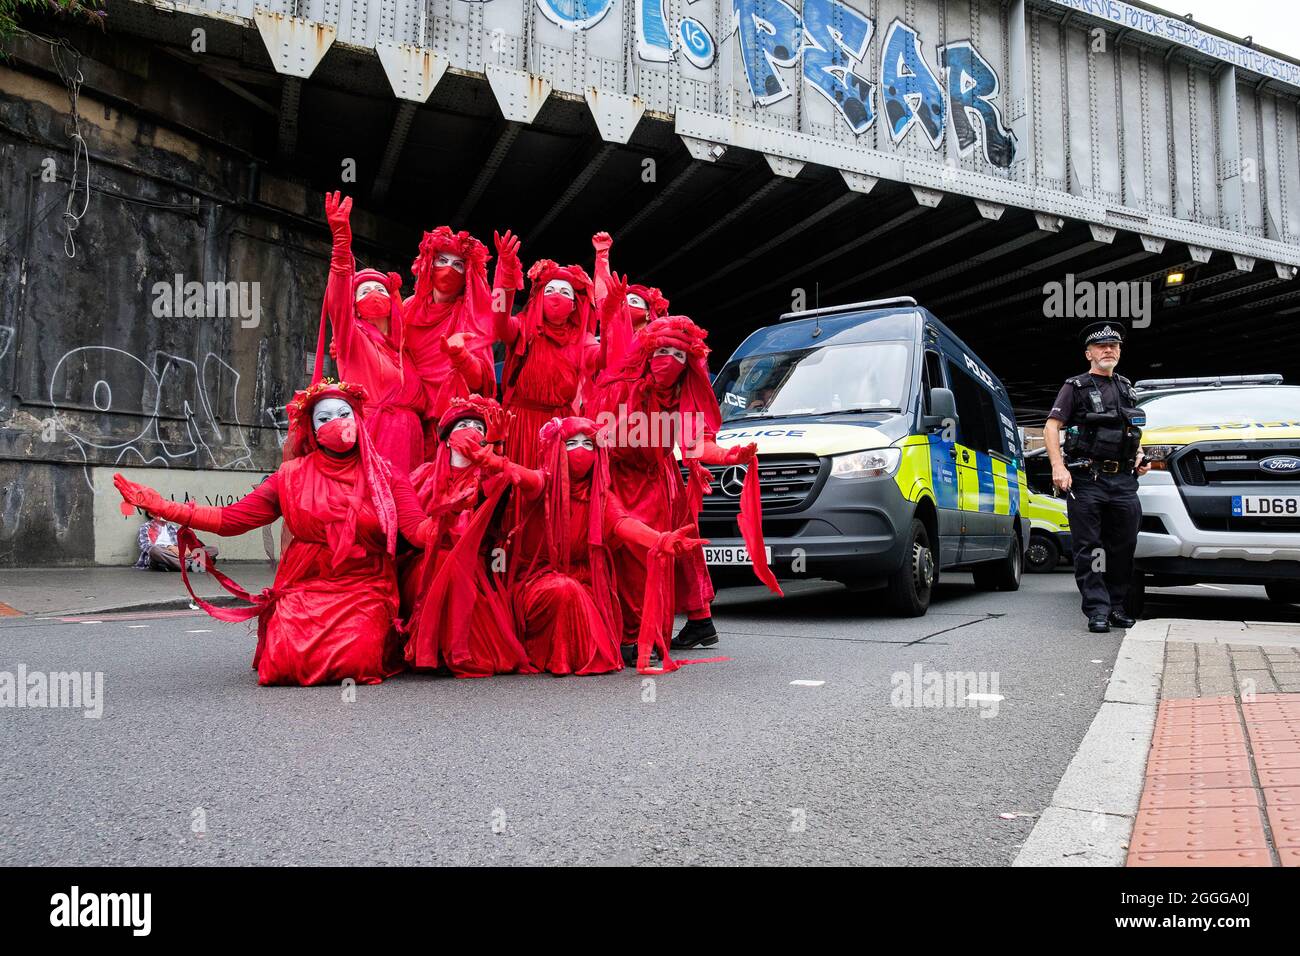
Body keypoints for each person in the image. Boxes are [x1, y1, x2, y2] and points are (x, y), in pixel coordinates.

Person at [113, 380, 439, 685]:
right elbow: (231, 519)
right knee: (284, 661)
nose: (337, 423)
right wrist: (163, 507)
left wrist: (451, 516)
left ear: (358, 419)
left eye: (344, 414)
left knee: (356, 659)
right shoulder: (290, 477)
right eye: (324, 418)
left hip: (364, 587)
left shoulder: (387, 476)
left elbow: (417, 530)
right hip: (306, 585)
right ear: (312, 430)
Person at [590, 315, 781, 663]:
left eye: (679, 356)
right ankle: (627, 636)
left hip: (654, 483)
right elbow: (597, 436)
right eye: (663, 351)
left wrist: (730, 455)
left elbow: (696, 445)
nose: (670, 361)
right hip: (615, 479)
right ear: (648, 353)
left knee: (654, 560)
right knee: (626, 561)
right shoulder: (619, 385)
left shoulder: (684, 394)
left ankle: (645, 637)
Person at [508, 416, 706, 676]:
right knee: (564, 590)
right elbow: (525, 478)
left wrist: (661, 540)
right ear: (557, 448)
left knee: (573, 591)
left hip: (589, 584)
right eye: (572, 443)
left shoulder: (601, 497)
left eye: (588, 444)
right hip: (539, 580)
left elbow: (624, 524)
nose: (581, 451)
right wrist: (493, 456)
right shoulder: (544, 485)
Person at [404, 396, 541, 678]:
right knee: (443, 562)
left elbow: (499, 497)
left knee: (492, 657)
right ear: (447, 437)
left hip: (476, 567)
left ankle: (453, 651)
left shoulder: (488, 476)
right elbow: (411, 531)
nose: (470, 430)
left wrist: (497, 453)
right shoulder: (423, 476)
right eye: (462, 424)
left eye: (477, 426)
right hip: (428, 563)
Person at [1044, 322, 1150, 633]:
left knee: (1123, 546)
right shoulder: (1075, 387)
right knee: (1091, 547)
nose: (1108, 350)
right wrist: (1057, 467)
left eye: (1114, 346)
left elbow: (1133, 431)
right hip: (1087, 479)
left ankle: (1116, 605)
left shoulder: (1127, 387)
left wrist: (1139, 456)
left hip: (1123, 482)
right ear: (1089, 353)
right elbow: (1052, 427)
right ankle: (1097, 609)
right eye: (1102, 346)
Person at [319, 191, 425, 475]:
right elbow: (337, 299)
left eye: (381, 289)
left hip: (412, 443)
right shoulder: (351, 337)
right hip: (377, 439)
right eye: (365, 291)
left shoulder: (403, 345)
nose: (375, 294)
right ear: (354, 305)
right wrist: (341, 244)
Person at [404, 225, 521, 453]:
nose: (449, 269)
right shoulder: (408, 309)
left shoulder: (471, 316)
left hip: (453, 424)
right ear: (429, 264)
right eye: (442, 260)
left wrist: (461, 357)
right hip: (411, 417)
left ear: (467, 274)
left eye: (458, 264)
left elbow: (481, 382)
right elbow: (387, 349)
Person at [494, 259, 599, 469]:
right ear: (539, 296)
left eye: (565, 292)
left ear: (574, 305)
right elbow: (499, 323)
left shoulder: (581, 339)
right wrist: (505, 278)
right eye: (550, 290)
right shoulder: (523, 326)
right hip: (520, 423)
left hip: (560, 425)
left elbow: (604, 358)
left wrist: (613, 318)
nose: (557, 295)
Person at [591, 231, 669, 375]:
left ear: (647, 314)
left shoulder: (659, 343)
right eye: (624, 302)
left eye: (633, 301)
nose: (626, 306)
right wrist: (602, 255)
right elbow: (604, 292)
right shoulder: (613, 333)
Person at [134, 514, 218, 571]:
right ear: (151, 514)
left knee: (213, 550)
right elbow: (145, 546)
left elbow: (184, 542)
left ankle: (173, 565)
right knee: (154, 550)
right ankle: (189, 565)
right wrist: (169, 548)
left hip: (179, 553)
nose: (165, 514)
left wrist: (187, 549)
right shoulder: (146, 527)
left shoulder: (173, 528)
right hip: (162, 553)